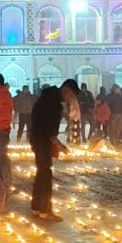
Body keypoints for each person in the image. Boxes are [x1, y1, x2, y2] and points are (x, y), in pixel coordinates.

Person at [29, 80, 78, 222]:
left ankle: (36, 207)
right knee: (45, 175)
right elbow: (49, 129)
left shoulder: (46, 98)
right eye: (71, 96)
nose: (70, 100)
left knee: (41, 173)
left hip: (37, 139)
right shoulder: (53, 104)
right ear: (66, 90)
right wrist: (59, 146)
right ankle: (45, 210)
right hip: (42, 141)